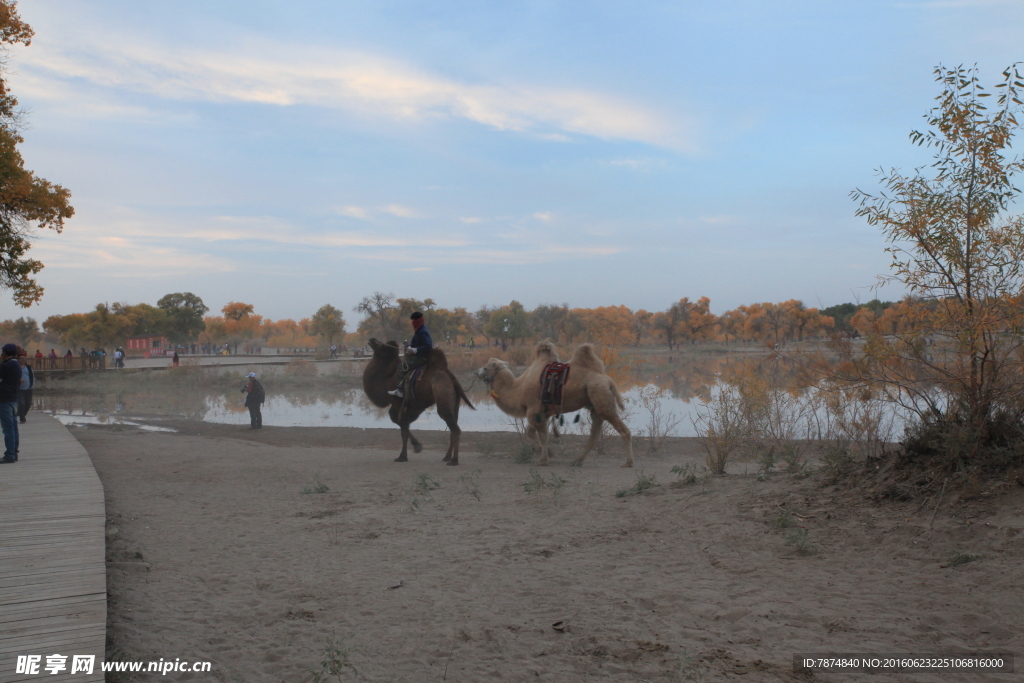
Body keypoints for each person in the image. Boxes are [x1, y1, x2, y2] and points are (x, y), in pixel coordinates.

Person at [389, 311, 433, 399]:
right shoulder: (419, 330)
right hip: (419, 355)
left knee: (401, 367)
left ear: (417, 320)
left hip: (422, 358)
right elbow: (413, 341)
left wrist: (416, 350)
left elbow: (428, 346)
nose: (412, 323)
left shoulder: (422, 332)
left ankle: (400, 390)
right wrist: (410, 347)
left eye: (413, 320)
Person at [0, 343, 20, 463]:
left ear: (7, 353)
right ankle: (14, 452)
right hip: (13, 398)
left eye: (3, 352)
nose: (1, 354)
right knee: (13, 427)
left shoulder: (7, 366)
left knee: (8, 428)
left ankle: (10, 454)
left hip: (4, 399)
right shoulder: (16, 364)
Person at [16, 349, 33, 424]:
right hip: (19, 389)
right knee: (21, 403)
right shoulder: (16, 367)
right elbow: (12, 377)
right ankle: (22, 418)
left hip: (28, 388)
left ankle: (20, 413)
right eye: (21, 358)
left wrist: (32, 385)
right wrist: (18, 380)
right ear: (18, 359)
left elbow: (32, 376)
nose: (23, 360)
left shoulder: (28, 367)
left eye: (24, 358)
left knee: (28, 403)